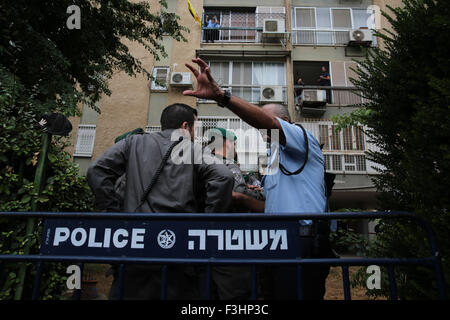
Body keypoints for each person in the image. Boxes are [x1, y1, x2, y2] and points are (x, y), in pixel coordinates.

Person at [183, 58, 332, 300]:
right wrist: (241, 198)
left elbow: (270, 123)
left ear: (284, 122)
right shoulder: (272, 158)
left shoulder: (302, 138)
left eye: (261, 121)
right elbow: (273, 207)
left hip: (301, 239)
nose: (258, 128)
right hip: (276, 240)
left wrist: (222, 96)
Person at [86, 103, 234, 300]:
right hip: (179, 247)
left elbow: (96, 170)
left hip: (133, 245)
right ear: (185, 126)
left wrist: (113, 212)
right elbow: (224, 177)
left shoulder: (133, 142)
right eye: (195, 128)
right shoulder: (192, 149)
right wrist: (208, 222)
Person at [205, 127, 265, 300]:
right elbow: (240, 194)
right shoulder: (228, 165)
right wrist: (260, 193)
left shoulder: (200, 163)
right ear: (226, 143)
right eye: (234, 143)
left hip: (203, 236)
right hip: (229, 237)